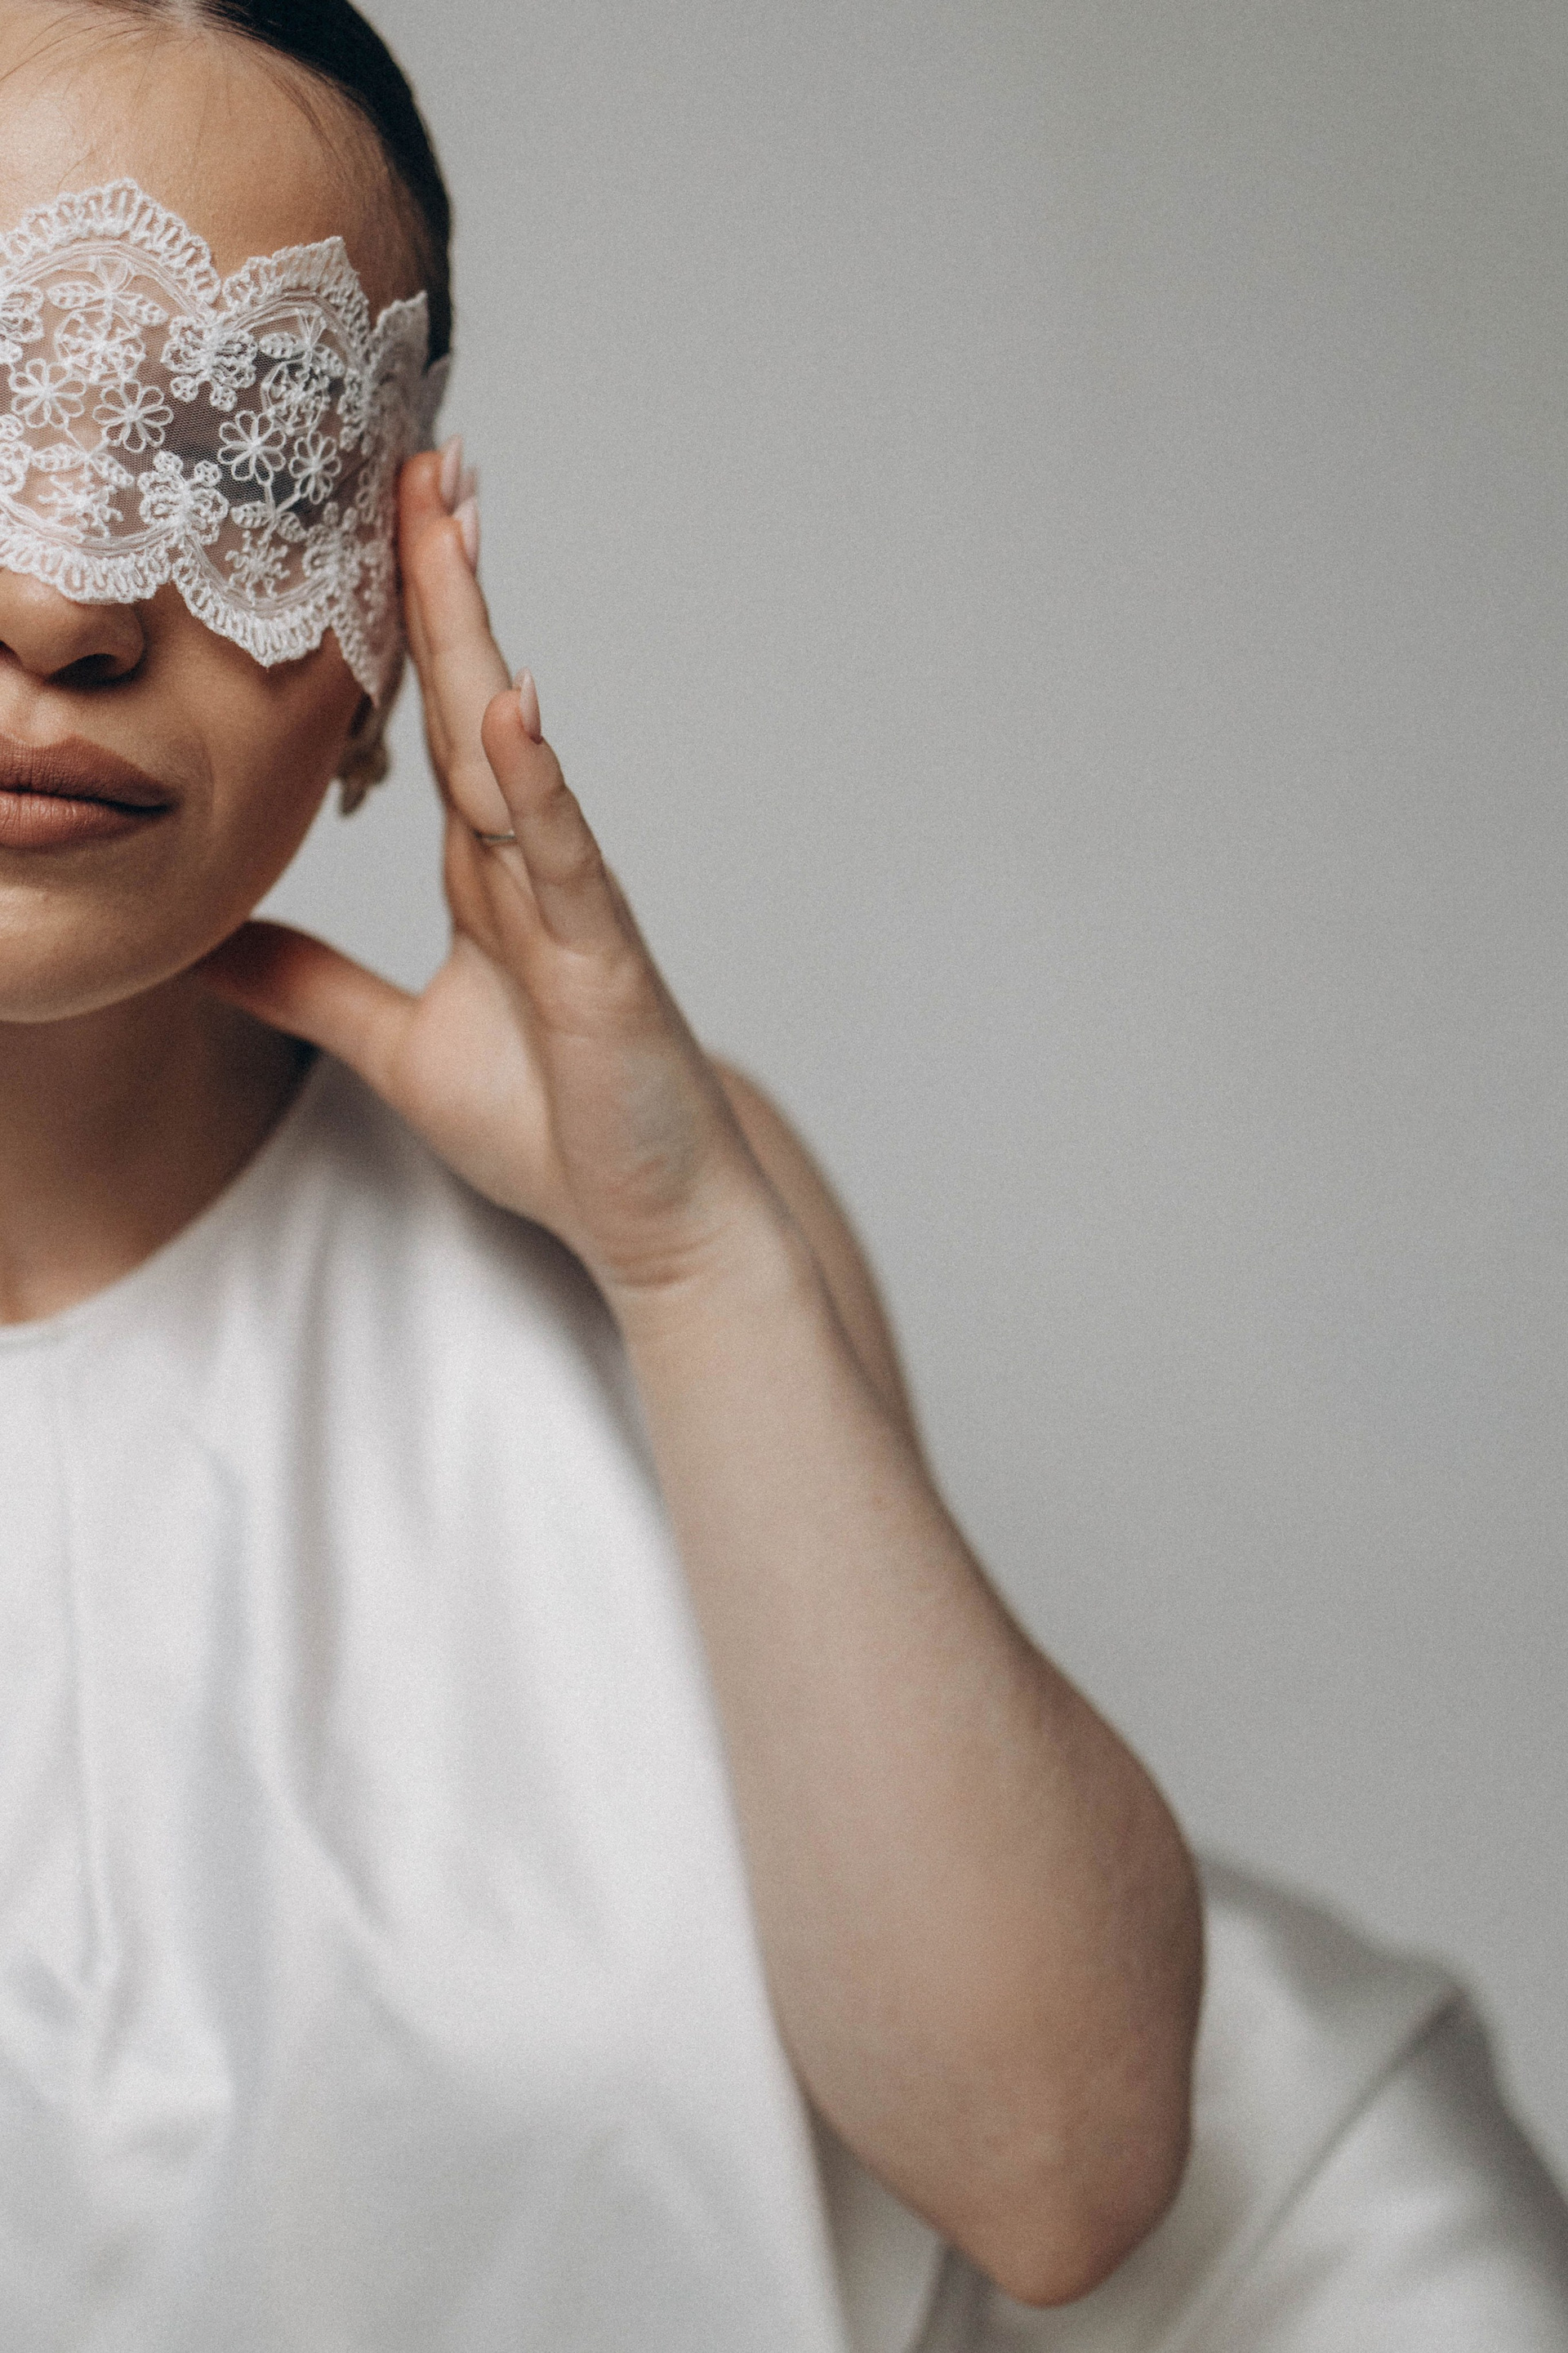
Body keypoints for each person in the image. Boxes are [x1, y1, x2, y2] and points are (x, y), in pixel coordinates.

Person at [0, 5, 1561, 2351]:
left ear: (384, 639)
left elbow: (1060, 2175)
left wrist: (687, 1249)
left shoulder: (640, 1236)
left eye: (238, 450)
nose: (68, 603)